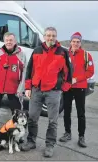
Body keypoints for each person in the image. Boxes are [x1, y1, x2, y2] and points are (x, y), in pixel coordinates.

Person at [21, 27, 72, 158]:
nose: (51, 38)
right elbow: (29, 69)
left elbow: (68, 71)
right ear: (44, 36)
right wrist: (28, 87)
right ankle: (31, 141)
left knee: (52, 120)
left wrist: (63, 88)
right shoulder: (37, 50)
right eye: (48, 35)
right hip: (36, 90)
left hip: (53, 91)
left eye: (53, 36)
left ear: (56, 37)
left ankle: (50, 145)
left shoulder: (62, 52)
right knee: (32, 117)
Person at [59, 32, 94, 147]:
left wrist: (76, 79)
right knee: (67, 111)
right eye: (73, 41)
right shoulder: (65, 54)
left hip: (80, 87)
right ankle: (67, 133)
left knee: (81, 113)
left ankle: (81, 136)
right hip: (67, 87)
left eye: (78, 42)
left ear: (80, 43)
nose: (75, 44)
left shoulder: (86, 55)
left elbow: (90, 72)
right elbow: (60, 69)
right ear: (70, 42)